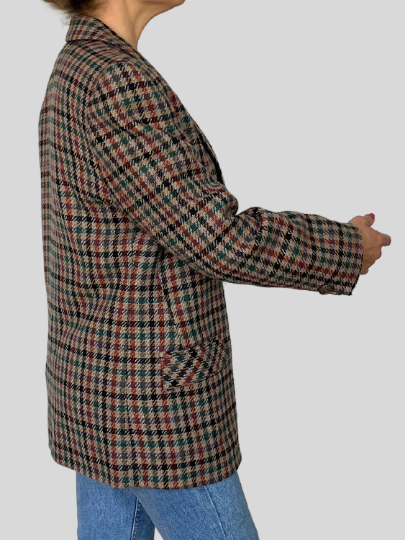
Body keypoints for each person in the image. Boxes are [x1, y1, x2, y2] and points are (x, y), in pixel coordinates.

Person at [38, 0, 391, 538]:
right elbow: (216, 237)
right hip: (153, 401)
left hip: (101, 387)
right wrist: (344, 248)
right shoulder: (115, 81)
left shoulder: (80, 66)